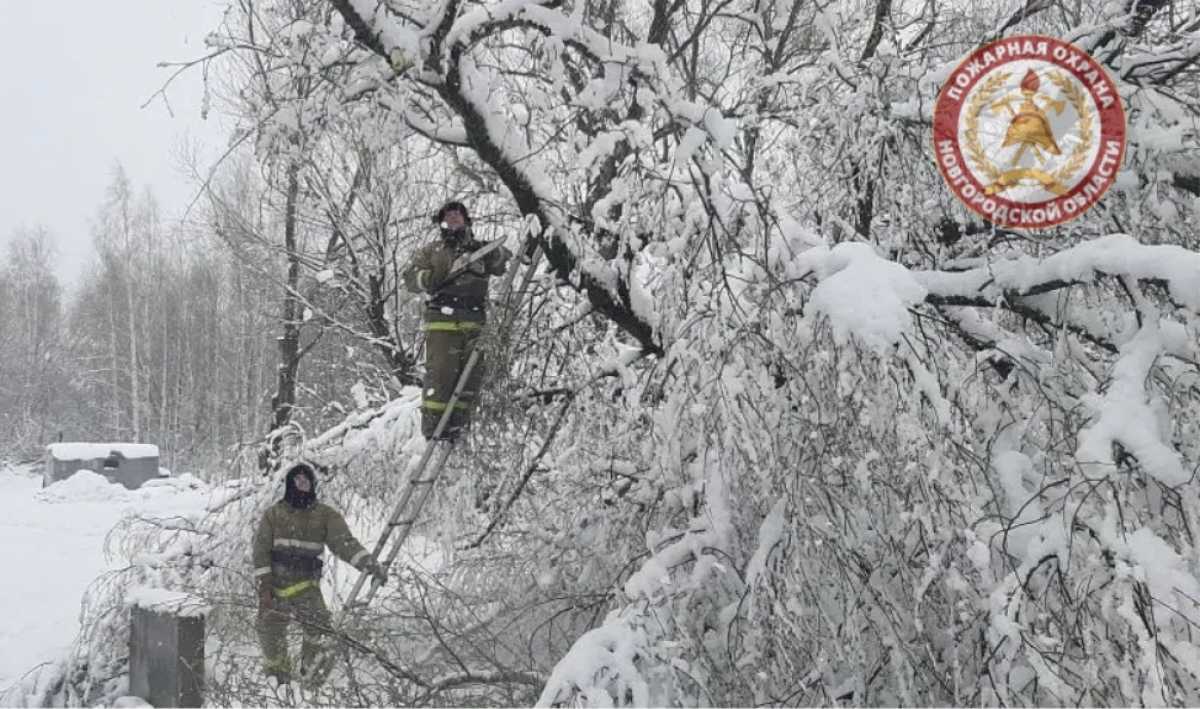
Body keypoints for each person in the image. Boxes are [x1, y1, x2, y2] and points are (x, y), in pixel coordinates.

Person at [252, 462, 387, 683]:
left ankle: (312, 674)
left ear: (312, 484)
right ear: (289, 484)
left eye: (306, 481)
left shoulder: (325, 515)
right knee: (269, 630)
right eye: (297, 481)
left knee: (320, 628)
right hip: (274, 586)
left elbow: (344, 544)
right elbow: (260, 551)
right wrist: (264, 587)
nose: (302, 485)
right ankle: (277, 678)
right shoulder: (273, 515)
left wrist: (369, 564)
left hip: (306, 586)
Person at [402, 201, 511, 440]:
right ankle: (434, 430)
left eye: (457, 215)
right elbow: (410, 279)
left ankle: (458, 428)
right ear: (441, 222)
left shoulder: (480, 248)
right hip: (442, 321)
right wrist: (434, 276)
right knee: (441, 377)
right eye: (448, 216)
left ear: (466, 219)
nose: (453, 219)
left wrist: (493, 254)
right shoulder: (432, 251)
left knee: (470, 378)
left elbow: (504, 263)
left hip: (474, 322)